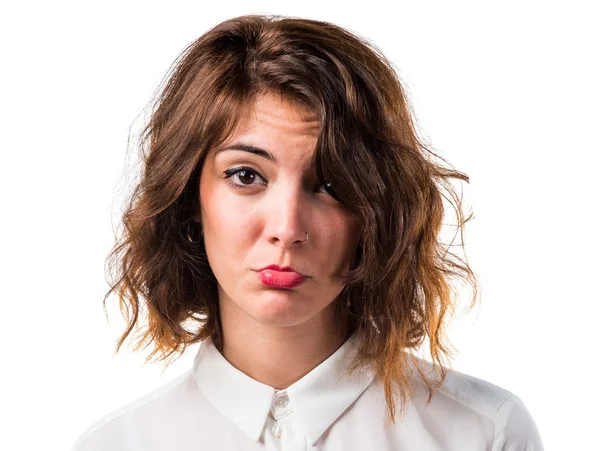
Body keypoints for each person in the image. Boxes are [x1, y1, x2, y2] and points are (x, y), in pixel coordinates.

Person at [72, 14, 544, 451]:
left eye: (332, 184)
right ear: (190, 197)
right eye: (246, 175)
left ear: (376, 210)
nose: (287, 229)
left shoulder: (483, 432)